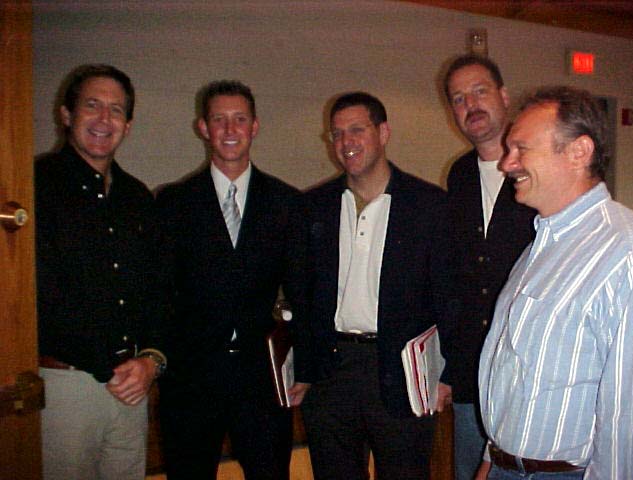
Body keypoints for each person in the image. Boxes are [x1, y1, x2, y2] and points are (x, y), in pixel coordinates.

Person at [479, 86, 633, 479]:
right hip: (505, 466)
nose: (507, 164)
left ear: (578, 152)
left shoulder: (625, 252)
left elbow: (628, 413)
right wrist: (490, 460)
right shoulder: (539, 246)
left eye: (521, 148)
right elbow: (514, 372)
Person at [288, 92, 450, 480]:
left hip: (400, 368)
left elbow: (448, 296)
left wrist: (450, 374)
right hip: (331, 370)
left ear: (383, 133)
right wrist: (304, 369)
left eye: (357, 130)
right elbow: (302, 295)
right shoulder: (314, 206)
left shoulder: (428, 205)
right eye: (337, 134)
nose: (347, 142)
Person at [156, 80, 298, 480]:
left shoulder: (286, 202)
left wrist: (301, 368)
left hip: (262, 381)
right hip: (191, 381)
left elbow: (302, 292)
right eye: (219, 120)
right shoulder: (173, 203)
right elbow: (160, 294)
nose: (230, 129)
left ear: (255, 126)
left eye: (240, 119)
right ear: (203, 127)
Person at [35, 64, 167, 480]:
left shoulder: (137, 197)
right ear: (66, 114)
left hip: (132, 386)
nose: (104, 119)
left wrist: (151, 360)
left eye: (116, 110)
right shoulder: (32, 185)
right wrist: (106, 363)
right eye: (92, 105)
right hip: (64, 386)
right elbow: (39, 292)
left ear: (128, 125)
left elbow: (157, 289)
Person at [440, 55, 536, 479]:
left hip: (528, 368)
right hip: (472, 374)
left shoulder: (535, 166)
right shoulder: (459, 174)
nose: (471, 105)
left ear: (503, 96)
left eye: (480, 91)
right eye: (459, 98)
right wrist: (447, 369)